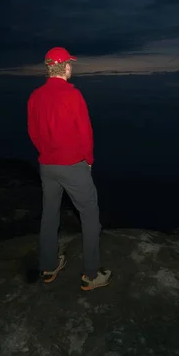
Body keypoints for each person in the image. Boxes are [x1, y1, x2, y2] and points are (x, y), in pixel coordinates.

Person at [27, 47, 112, 291]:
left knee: (50, 214)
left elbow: (33, 133)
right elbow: (85, 133)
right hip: (73, 165)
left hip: (47, 166)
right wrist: (88, 160)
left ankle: (49, 265)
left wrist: (47, 152)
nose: (71, 67)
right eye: (70, 64)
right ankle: (91, 274)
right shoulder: (73, 95)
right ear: (64, 67)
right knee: (89, 216)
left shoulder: (35, 96)